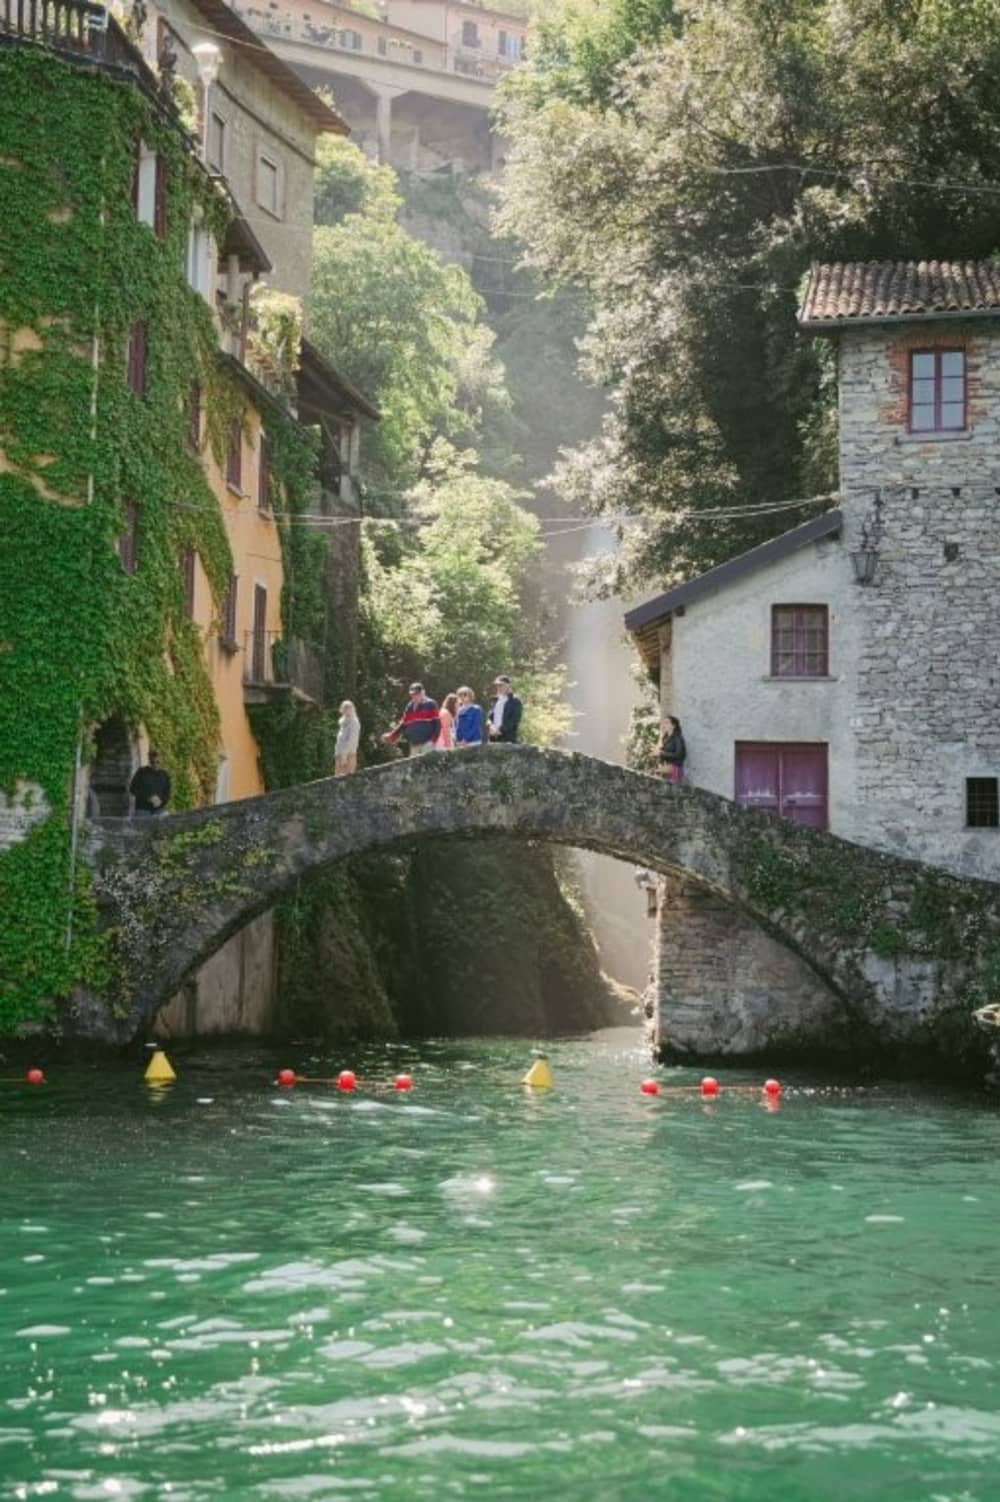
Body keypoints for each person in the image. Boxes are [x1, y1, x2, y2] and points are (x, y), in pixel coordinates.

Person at [382, 682, 441, 756]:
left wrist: (432, 741)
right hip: (414, 744)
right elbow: (403, 724)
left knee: (427, 763)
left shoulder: (431, 704)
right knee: (414, 763)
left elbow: (438, 724)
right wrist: (392, 735)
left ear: (423, 692)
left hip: (427, 744)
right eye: (412, 694)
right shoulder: (409, 706)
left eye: (417, 694)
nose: (414, 696)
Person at [130, 749, 171, 816]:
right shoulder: (141, 772)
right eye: (152, 762)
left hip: (159, 809)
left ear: (161, 761)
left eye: (157, 762)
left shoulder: (165, 775)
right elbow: (132, 789)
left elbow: (167, 794)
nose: (155, 764)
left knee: (167, 818)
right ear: (149, 761)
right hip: (143, 808)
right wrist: (147, 798)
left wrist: (161, 800)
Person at [487, 674, 523, 744]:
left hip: (507, 738)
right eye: (497, 685)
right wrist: (491, 727)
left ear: (508, 685)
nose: (499, 687)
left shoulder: (515, 701)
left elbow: (513, 721)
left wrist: (499, 730)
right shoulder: (495, 700)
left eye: (501, 685)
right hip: (493, 738)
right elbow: (489, 718)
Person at [334, 700, 360, 776]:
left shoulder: (354, 722)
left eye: (348, 707)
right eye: (345, 707)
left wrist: (344, 755)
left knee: (347, 778)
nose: (346, 709)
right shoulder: (342, 722)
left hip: (349, 755)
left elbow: (352, 740)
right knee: (337, 777)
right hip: (340, 754)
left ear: (353, 709)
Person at [658, 715, 686, 783]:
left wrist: (661, 753)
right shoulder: (665, 738)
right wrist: (660, 760)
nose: (664, 725)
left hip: (675, 768)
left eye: (667, 723)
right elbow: (662, 754)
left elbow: (679, 754)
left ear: (673, 726)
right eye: (663, 723)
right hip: (666, 768)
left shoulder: (677, 738)